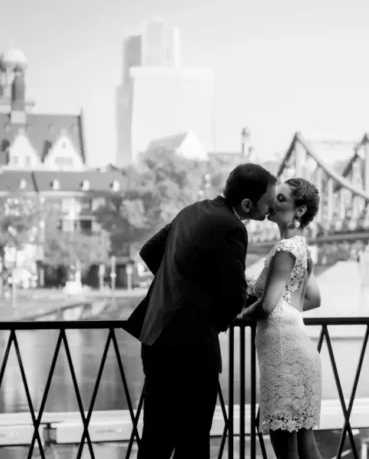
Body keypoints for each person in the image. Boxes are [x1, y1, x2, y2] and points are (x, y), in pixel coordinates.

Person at [124, 163, 277, 458]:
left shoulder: (193, 210)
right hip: (190, 347)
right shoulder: (233, 228)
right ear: (247, 204)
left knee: (155, 437)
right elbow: (233, 297)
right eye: (268, 203)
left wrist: (180, 284)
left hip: (155, 338)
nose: (270, 209)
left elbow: (150, 251)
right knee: (192, 439)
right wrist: (205, 312)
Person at [240, 177, 323, 459]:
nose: (274, 202)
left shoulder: (286, 250)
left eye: (282, 199)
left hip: (284, 357)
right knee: (304, 443)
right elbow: (312, 299)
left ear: (299, 210)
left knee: (286, 450)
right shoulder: (301, 248)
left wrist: (241, 314)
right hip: (299, 352)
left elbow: (266, 307)